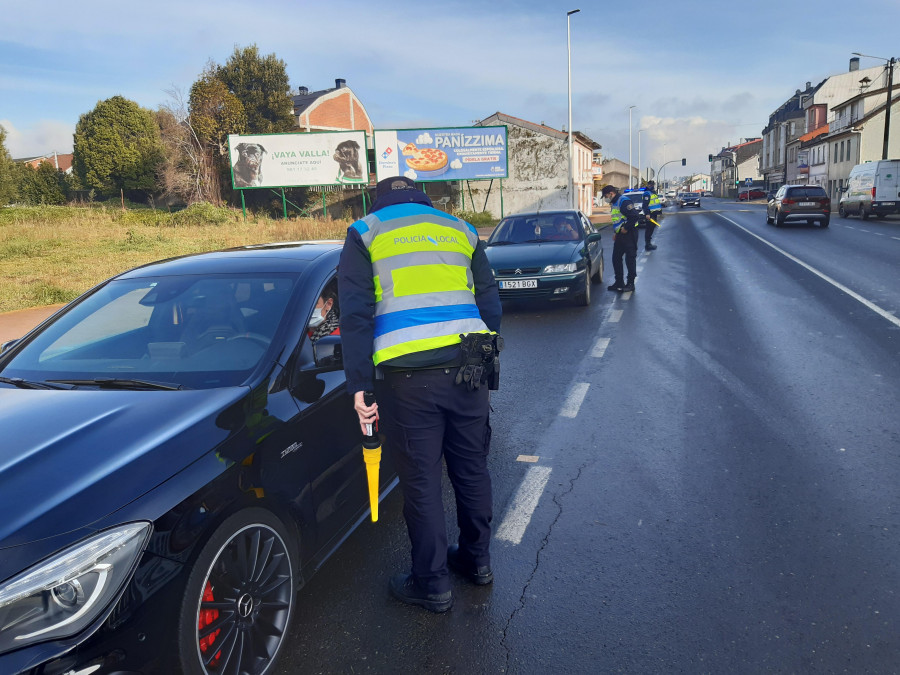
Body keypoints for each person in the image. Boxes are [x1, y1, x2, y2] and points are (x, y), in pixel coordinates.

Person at [338, 175, 502, 613]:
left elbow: (355, 315)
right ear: (422, 198)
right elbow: (489, 301)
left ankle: (432, 584)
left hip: (408, 378)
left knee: (422, 482)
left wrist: (360, 386)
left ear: (380, 200)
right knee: (471, 469)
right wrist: (485, 361)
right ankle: (478, 561)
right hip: (470, 369)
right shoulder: (461, 229)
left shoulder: (365, 231)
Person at [601, 184, 639, 292]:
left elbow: (635, 216)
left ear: (611, 194)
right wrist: (616, 232)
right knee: (616, 258)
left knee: (630, 259)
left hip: (629, 234)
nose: (605, 198)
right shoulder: (614, 203)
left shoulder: (623, 201)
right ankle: (619, 282)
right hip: (620, 235)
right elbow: (619, 220)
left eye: (606, 196)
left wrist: (626, 228)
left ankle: (630, 283)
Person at [642, 181, 662, 251]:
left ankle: (649, 243)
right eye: (650, 184)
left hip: (654, 214)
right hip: (650, 214)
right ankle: (647, 245)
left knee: (651, 229)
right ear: (648, 185)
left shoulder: (653, 192)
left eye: (653, 184)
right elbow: (645, 205)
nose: (652, 185)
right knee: (649, 229)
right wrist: (647, 214)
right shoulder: (647, 193)